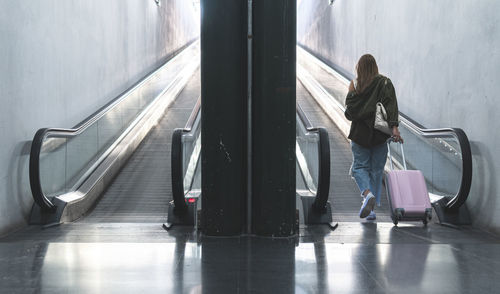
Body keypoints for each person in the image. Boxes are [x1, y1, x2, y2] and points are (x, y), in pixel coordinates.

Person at [344, 54, 402, 220]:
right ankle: (371, 208)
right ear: (375, 66)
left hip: (359, 134)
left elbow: (350, 112)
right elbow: (391, 107)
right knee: (376, 170)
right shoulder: (385, 83)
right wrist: (394, 128)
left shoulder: (355, 84)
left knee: (359, 167)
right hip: (379, 135)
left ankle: (367, 195)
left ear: (359, 67)